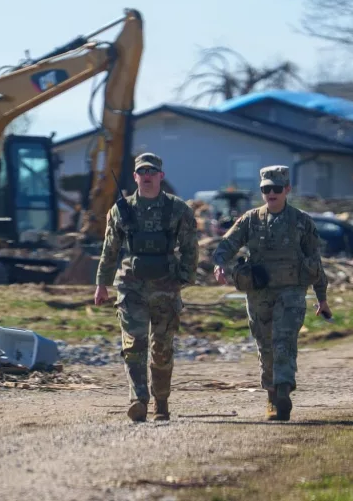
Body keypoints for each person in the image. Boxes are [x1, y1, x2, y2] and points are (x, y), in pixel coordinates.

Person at [211, 165, 332, 421]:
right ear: (262, 190)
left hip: (292, 292)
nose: (271, 193)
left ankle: (283, 391)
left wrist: (322, 298)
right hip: (259, 293)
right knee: (265, 344)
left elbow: (315, 263)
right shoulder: (251, 220)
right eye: (266, 189)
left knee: (284, 341)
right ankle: (272, 395)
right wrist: (220, 263)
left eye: (277, 189)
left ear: (287, 189)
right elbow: (227, 244)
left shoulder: (302, 222)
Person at [94, 152, 199, 422]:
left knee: (161, 348)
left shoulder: (178, 209)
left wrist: (184, 278)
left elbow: (190, 248)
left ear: (161, 176)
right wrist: (102, 284)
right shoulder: (121, 210)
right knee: (133, 345)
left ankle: (161, 401)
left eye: (153, 172)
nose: (148, 176)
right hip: (131, 287)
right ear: (135, 177)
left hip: (166, 286)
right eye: (143, 172)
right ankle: (138, 399)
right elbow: (110, 249)